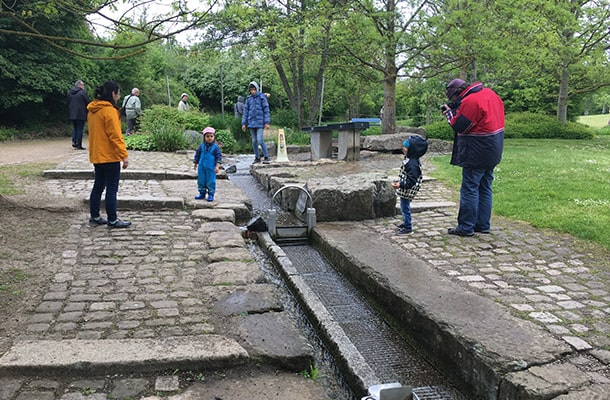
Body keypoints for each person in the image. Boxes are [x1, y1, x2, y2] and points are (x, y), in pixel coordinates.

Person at [442, 78, 504, 236]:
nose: (455, 101)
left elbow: (460, 126)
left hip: (477, 151)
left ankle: (466, 227)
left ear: (457, 93)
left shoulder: (471, 101)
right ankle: (483, 224)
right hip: (494, 149)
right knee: (485, 187)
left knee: (469, 189)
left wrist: (449, 113)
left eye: (453, 98)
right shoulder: (490, 94)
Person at [87, 81, 131, 228]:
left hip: (97, 155)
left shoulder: (93, 110)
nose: (119, 96)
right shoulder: (109, 111)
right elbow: (115, 136)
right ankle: (112, 219)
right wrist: (124, 155)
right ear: (113, 93)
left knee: (98, 186)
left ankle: (95, 216)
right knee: (112, 188)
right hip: (110, 156)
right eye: (118, 93)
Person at [391, 135, 428, 234]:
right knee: (404, 205)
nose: (403, 148)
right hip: (406, 186)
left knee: (405, 207)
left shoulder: (412, 163)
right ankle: (405, 221)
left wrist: (400, 185)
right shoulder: (410, 158)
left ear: (412, 150)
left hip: (408, 188)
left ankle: (408, 226)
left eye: (406, 147)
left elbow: (412, 180)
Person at [241, 81, 271, 164]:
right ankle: (257, 157)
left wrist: (267, 122)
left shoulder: (262, 97)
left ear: (257, 89)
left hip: (260, 122)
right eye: (251, 90)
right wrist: (243, 123)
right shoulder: (248, 99)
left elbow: (266, 110)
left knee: (260, 139)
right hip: (251, 123)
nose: (253, 91)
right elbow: (245, 112)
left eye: (254, 89)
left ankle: (266, 156)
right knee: (254, 141)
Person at [193, 127, 222, 202]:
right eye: (207, 136)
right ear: (204, 137)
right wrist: (195, 163)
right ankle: (202, 193)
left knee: (211, 181)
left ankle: (211, 194)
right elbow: (197, 154)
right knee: (201, 180)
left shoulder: (216, 148)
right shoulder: (201, 146)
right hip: (202, 167)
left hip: (211, 168)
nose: (209, 138)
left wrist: (217, 166)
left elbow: (219, 157)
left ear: (214, 137)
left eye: (211, 136)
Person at [67, 80, 90, 150]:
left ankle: (74, 141)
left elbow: (68, 102)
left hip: (72, 113)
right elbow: (88, 102)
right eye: (83, 85)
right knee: (80, 129)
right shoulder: (82, 93)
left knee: (75, 128)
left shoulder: (70, 93)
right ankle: (79, 144)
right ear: (79, 85)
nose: (83, 86)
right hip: (81, 113)